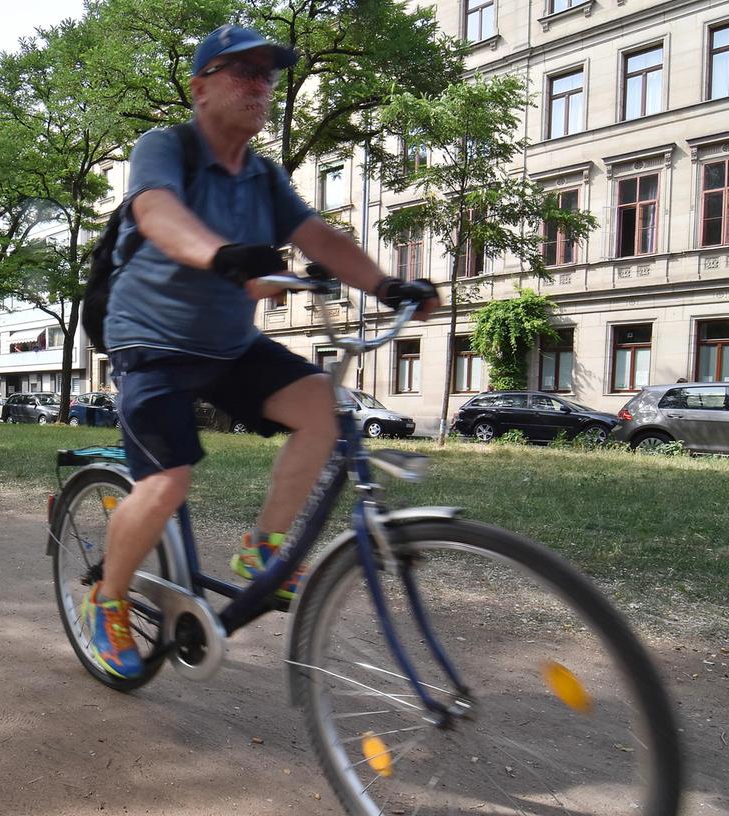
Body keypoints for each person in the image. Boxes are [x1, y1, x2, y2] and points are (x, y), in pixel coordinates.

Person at [82, 24, 440, 679]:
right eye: (242, 72)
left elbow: (319, 237)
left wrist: (388, 284)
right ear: (200, 89)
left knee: (322, 409)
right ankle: (105, 603)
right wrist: (220, 254)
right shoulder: (165, 148)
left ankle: (265, 553)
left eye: (267, 75)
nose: (260, 86)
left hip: (228, 344)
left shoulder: (262, 177)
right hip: (150, 345)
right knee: (166, 484)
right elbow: (157, 214)